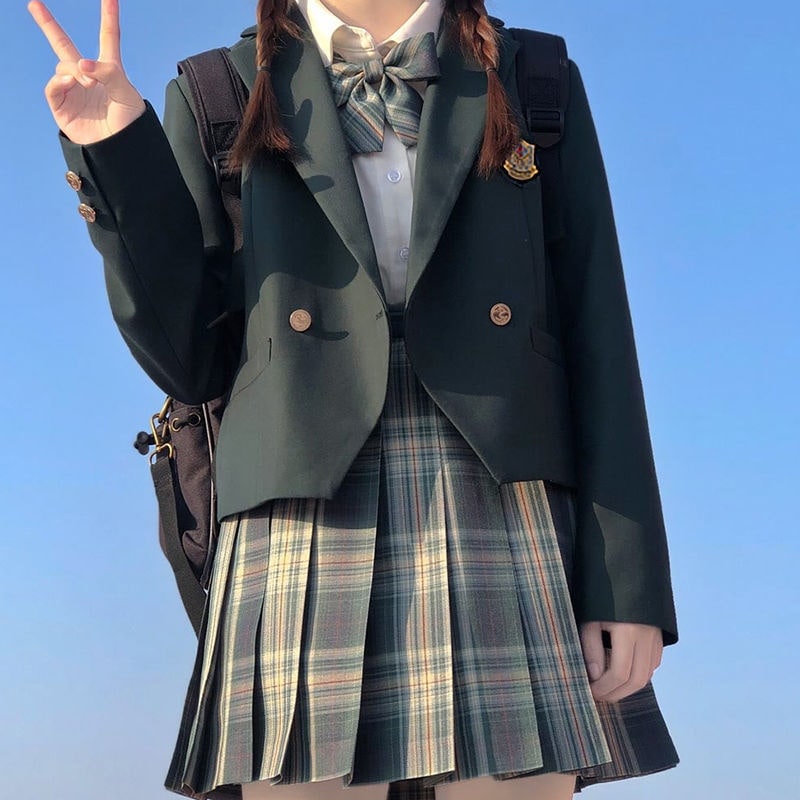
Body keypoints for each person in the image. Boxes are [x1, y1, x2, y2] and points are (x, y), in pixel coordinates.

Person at [29, 0, 679, 798]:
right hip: (299, 495)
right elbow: (188, 363)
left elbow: (598, 334)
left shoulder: (535, 77)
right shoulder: (217, 91)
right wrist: (115, 151)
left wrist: (627, 583)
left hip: (503, 493)